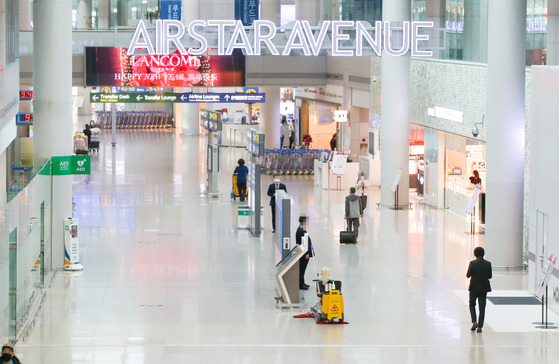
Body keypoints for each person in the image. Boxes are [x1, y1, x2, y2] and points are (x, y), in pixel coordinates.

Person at [466, 246, 492, 333]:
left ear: (475, 254)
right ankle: (480, 327)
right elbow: (490, 276)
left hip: (473, 287)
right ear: (483, 254)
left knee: (472, 304)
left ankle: (474, 321)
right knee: (482, 307)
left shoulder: (472, 263)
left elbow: (468, 275)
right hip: (484, 288)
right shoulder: (488, 264)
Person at [295, 216, 313, 290]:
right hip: (303, 253)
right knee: (302, 268)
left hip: (304, 252)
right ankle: (301, 284)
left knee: (303, 269)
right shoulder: (301, 230)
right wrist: (307, 253)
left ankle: (302, 282)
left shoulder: (301, 229)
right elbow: (304, 242)